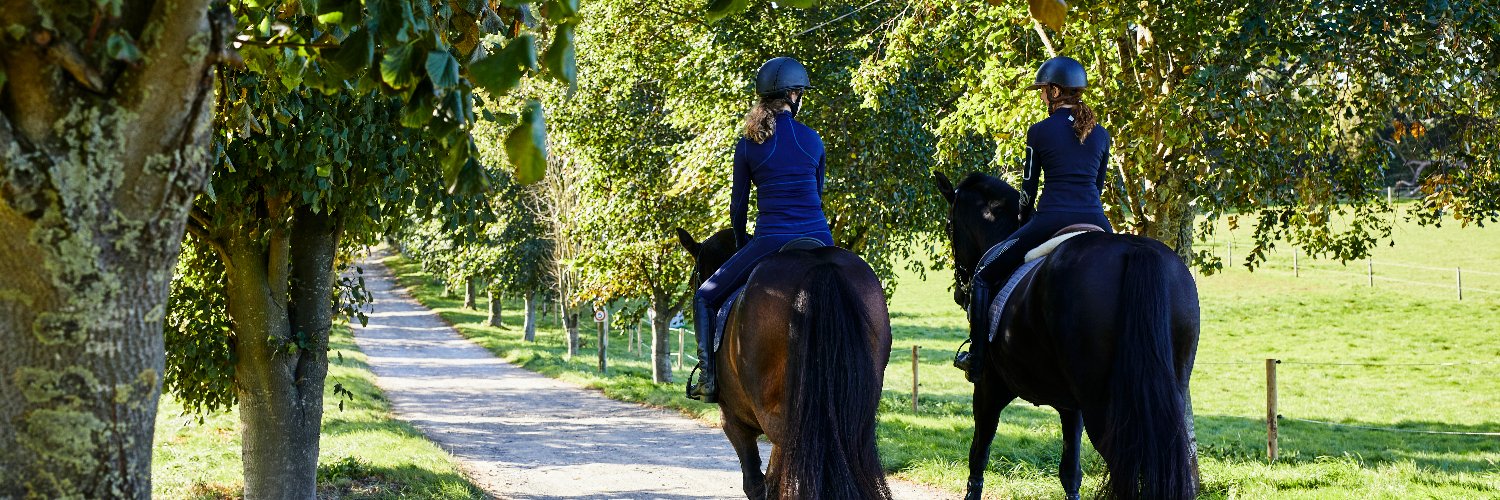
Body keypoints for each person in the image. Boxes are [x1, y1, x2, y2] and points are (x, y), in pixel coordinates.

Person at [954, 56, 1115, 382]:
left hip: (1051, 220)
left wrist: (1023, 221)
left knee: (984, 274)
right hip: (1097, 222)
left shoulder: (1039, 132)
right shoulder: (1102, 134)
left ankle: (979, 357)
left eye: (1043, 90)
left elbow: (1028, 189)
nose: (1042, 96)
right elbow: (1096, 188)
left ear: (1055, 91)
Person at [687, 56, 835, 403]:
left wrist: (742, 244)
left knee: (704, 296)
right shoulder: (813, 140)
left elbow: (738, 207)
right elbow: (818, 193)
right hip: (820, 239)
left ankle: (708, 379)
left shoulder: (748, 145)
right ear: (794, 95)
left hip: (771, 240)